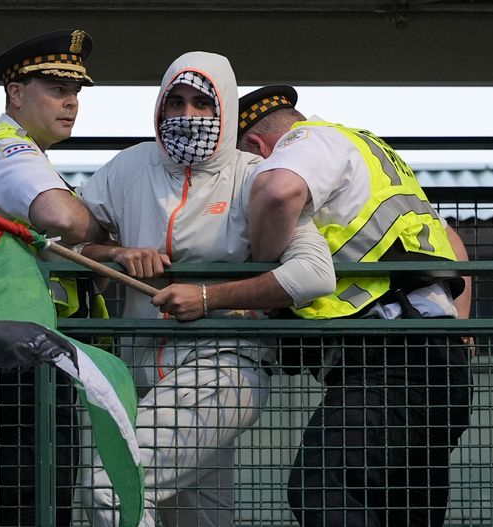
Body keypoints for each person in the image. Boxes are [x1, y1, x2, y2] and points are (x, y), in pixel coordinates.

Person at [78, 51, 336, 527]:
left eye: (203, 103)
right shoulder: (128, 167)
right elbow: (66, 246)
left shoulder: (255, 175)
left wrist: (206, 298)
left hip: (224, 369)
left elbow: (314, 274)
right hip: (137, 378)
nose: (187, 115)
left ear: (227, 109)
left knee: (111, 487)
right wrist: (116, 253)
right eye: (174, 102)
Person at [238, 85, 472, 526]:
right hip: (441, 362)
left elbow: (277, 192)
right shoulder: (369, 152)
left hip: (391, 357)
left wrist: (267, 266)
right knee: (404, 511)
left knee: (320, 486)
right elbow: (454, 245)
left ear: (257, 147)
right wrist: (461, 329)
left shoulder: (305, 141)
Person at [0, 29, 108, 526]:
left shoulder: (29, 155)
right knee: (33, 504)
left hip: (28, 349)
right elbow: (63, 217)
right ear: (15, 93)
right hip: (9, 355)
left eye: (75, 92)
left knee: (43, 503)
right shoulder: (5, 151)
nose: (71, 102)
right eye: (57, 89)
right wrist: (105, 230)